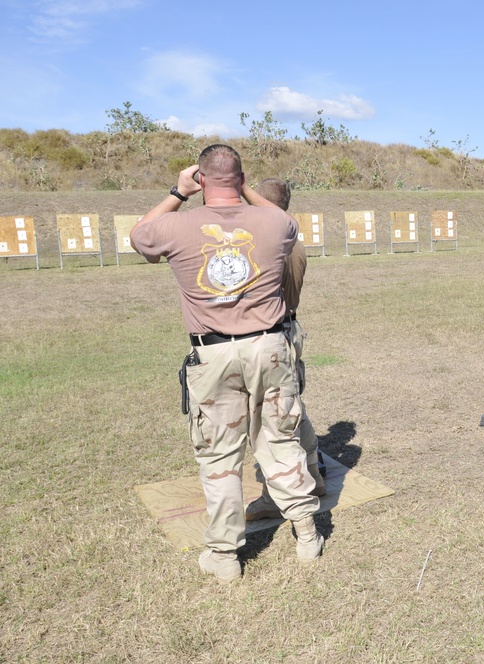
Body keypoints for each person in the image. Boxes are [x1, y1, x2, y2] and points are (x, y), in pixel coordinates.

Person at [130, 145, 323, 582]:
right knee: (279, 437)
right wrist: (243, 186)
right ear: (239, 178)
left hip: (214, 352)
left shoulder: (177, 224)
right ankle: (307, 533)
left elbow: (140, 236)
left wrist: (177, 192)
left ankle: (224, 555)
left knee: (219, 455)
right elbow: (282, 218)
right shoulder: (274, 223)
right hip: (270, 347)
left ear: (201, 178)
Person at [240, 178, 327, 520]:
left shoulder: (266, 242)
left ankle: (272, 496)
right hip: (289, 331)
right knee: (293, 410)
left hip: (268, 339)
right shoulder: (294, 241)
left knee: (268, 424)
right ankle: (314, 475)